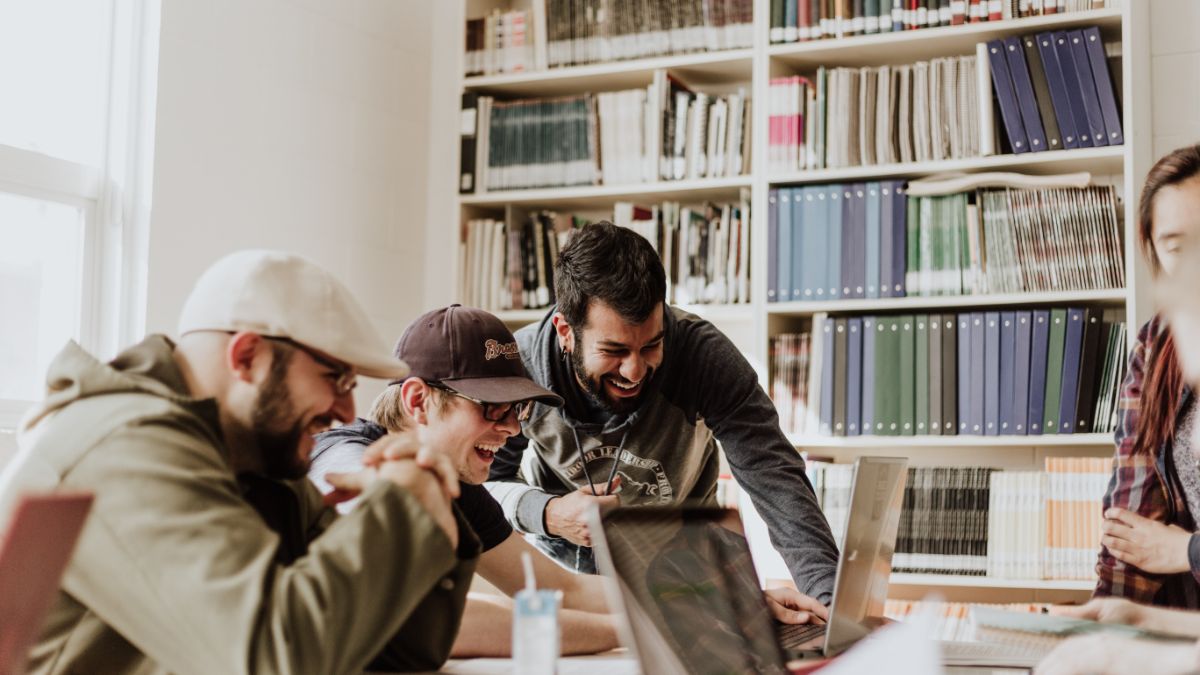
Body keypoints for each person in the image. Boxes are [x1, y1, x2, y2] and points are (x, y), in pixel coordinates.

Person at [0, 250, 478, 675]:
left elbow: (402, 652)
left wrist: (429, 505)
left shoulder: (254, 458)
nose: (347, 412)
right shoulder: (126, 446)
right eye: (335, 378)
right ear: (247, 356)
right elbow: (275, 658)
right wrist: (397, 507)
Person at [309, 304, 827, 657]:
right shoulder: (346, 462)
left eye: (517, 411)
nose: (512, 429)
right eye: (492, 408)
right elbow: (427, 617)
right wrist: (665, 626)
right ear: (418, 401)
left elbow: (557, 588)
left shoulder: (457, 483)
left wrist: (722, 603)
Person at [484, 221, 840, 609]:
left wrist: (830, 606)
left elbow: (776, 480)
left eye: (651, 345)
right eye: (614, 351)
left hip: (686, 576)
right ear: (566, 331)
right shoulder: (521, 369)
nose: (634, 371)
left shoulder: (703, 356)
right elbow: (484, 484)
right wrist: (548, 513)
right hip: (566, 583)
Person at [1095, 144, 1200, 608]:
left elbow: (1166, 548)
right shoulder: (1157, 345)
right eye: (1178, 247)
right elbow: (1131, 523)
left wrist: (1185, 550)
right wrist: (1105, 617)